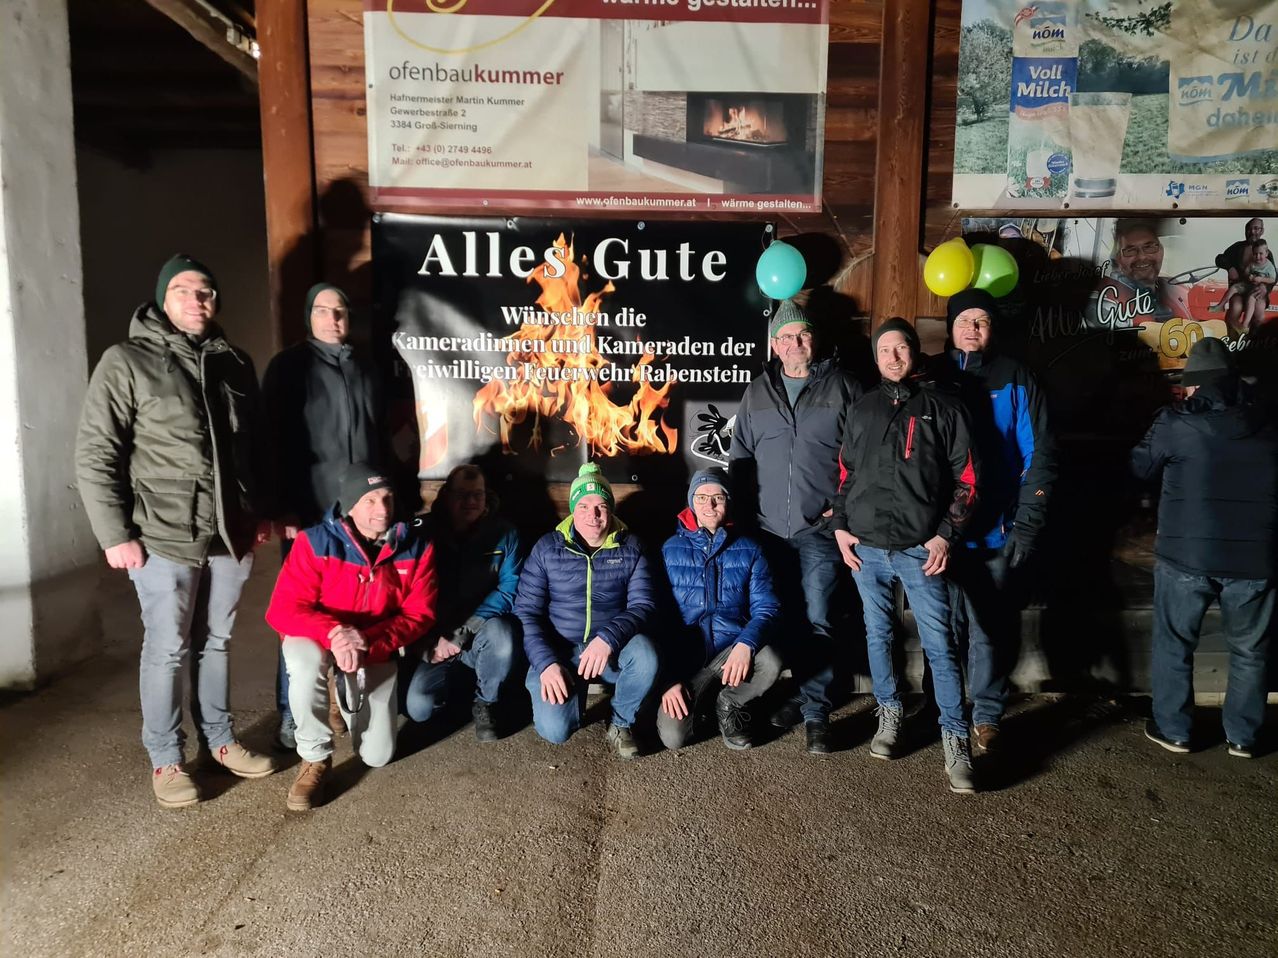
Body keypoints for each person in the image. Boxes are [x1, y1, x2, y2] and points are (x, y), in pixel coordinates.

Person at [76, 253, 276, 808]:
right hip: (162, 532)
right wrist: (115, 534)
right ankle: (166, 759)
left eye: (206, 291)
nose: (197, 300)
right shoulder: (126, 362)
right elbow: (96, 452)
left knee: (216, 641)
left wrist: (257, 512)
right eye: (184, 291)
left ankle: (220, 741)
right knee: (167, 648)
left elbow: (254, 449)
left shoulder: (234, 361)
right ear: (164, 300)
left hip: (229, 532)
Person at [830, 318, 980, 794]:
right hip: (867, 549)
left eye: (901, 348)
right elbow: (845, 474)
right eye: (885, 350)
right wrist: (839, 528)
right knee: (879, 634)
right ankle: (889, 714)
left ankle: (956, 739)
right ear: (876, 359)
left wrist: (945, 535)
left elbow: (969, 479)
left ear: (914, 353)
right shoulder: (862, 409)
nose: (893, 357)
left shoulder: (945, 408)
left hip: (921, 550)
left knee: (941, 644)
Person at [1131, 338, 1278, 759]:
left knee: (1175, 643)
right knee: (1250, 650)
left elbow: (1138, 467)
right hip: (1256, 559)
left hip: (1186, 557)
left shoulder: (1175, 422)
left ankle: (1175, 730)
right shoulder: (1269, 419)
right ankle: (1243, 738)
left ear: (1194, 384)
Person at [728, 297, 860, 755]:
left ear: (814, 339)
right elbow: (740, 459)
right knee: (776, 616)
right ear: (774, 343)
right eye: (785, 336)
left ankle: (817, 716)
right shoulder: (757, 391)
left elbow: (862, 461)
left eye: (802, 334)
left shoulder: (844, 387)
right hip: (766, 531)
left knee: (819, 618)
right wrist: (742, 523)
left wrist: (839, 509)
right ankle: (793, 698)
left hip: (819, 532)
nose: (794, 343)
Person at [265, 463, 437, 811]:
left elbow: (420, 613)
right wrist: (335, 632)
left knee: (378, 755)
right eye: (369, 500)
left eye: (387, 498)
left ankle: (340, 691)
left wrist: (367, 641)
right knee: (302, 659)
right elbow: (282, 610)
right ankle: (315, 757)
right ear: (350, 505)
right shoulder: (314, 542)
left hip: (373, 643)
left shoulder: (416, 546)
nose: (382, 509)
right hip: (320, 634)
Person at [261, 282, 388, 749]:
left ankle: (341, 704)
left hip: (360, 516)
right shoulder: (288, 368)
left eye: (340, 311)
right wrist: (280, 507)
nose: (332, 319)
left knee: (356, 604)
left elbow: (379, 442)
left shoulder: (367, 369)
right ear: (308, 316)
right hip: (310, 510)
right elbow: (270, 442)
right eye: (322, 310)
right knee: (300, 614)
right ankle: (291, 714)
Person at [934, 289, 1056, 753]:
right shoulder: (932, 373)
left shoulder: (1017, 378)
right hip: (941, 532)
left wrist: (1028, 522)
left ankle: (986, 715)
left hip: (997, 530)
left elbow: (1039, 455)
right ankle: (943, 708)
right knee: (941, 625)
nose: (972, 328)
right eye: (965, 319)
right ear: (951, 326)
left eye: (981, 321)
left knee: (987, 626)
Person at [515, 463, 659, 760]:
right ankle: (571, 695)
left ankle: (621, 723)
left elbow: (642, 604)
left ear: (611, 508)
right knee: (555, 731)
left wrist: (607, 638)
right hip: (561, 651)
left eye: (601, 505)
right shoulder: (546, 549)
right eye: (583, 505)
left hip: (611, 649)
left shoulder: (631, 547)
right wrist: (546, 663)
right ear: (571, 509)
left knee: (646, 655)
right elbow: (526, 612)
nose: (593, 515)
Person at [657, 469, 783, 751]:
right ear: (691, 501)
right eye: (701, 497)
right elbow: (657, 619)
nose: (709, 505)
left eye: (717, 497)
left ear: (728, 501)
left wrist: (746, 644)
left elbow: (768, 606)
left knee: (771, 659)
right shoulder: (669, 550)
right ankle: (702, 701)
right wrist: (668, 680)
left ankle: (730, 702)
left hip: (732, 650)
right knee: (674, 738)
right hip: (688, 661)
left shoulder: (750, 549)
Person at [402, 464, 523, 742]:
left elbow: (509, 589)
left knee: (503, 634)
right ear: (446, 496)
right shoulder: (422, 533)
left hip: (480, 630)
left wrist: (464, 631)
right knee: (419, 709)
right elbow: (405, 595)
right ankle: (457, 687)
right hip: (434, 639)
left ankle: (486, 701)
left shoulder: (505, 533)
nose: (470, 502)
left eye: (477, 495)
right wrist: (424, 644)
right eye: (462, 494)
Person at [1093, 220, 1191, 328]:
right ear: (1119, 259)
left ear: (1161, 251)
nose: (1142, 257)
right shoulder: (1106, 304)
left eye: (1149, 247)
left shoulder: (1175, 288)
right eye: (1130, 250)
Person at [1215, 218, 1266, 331]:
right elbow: (1220, 258)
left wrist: (1265, 287)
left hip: (1257, 292)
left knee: (1259, 312)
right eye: (1249, 229)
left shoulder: (1266, 251)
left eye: (1256, 228)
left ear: (1262, 231)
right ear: (1245, 231)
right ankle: (1235, 338)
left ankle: (1254, 341)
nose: (1252, 232)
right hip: (1239, 290)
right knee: (1235, 307)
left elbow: (1273, 275)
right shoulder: (1238, 247)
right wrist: (1230, 267)